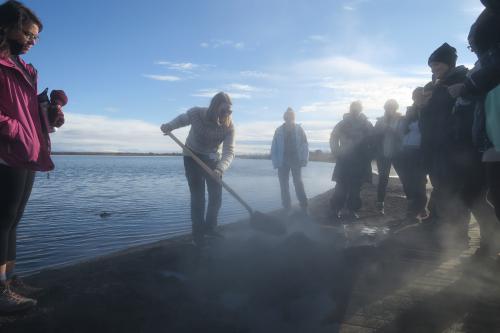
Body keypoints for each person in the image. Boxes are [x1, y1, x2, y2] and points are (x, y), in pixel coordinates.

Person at [0, 0, 66, 313]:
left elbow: (29, 113)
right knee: (1, 221)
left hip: (26, 151)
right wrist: (16, 131)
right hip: (5, 151)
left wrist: (49, 115)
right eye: (28, 33)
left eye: (36, 37)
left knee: (13, 221)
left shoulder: (26, 69)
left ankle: (10, 280)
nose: (31, 41)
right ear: (8, 26)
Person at [160, 92, 235, 245]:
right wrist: (169, 126)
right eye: (223, 111)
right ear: (214, 107)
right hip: (191, 156)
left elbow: (229, 152)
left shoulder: (229, 127)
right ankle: (198, 235)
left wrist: (220, 169)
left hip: (213, 159)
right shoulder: (197, 114)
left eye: (229, 111)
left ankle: (211, 228)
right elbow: (182, 119)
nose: (226, 114)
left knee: (216, 196)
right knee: (198, 197)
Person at [419, 42, 470, 242]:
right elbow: (429, 116)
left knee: (454, 189)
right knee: (439, 186)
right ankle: (436, 224)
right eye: (432, 65)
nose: (434, 69)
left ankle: (458, 235)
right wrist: (422, 107)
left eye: (438, 64)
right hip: (434, 145)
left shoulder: (461, 80)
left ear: (449, 64)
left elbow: (461, 113)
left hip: (453, 146)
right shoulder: (434, 85)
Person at [329, 101, 373, 221]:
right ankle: (335, 209)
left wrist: (370, 155)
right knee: (341, 186)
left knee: (356, 188)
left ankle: (352, 210)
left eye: (358, 108)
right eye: (353, 108)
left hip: (361, 160)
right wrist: (336, 152)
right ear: (350, 109)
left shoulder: (367, 124)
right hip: (344, 159)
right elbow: (333, 137)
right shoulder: (342, 124)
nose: (355, 110)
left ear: (361, 109)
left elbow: (373, 140)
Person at [270, 107, 309, 215]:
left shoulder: (299, 129)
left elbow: (305, 145)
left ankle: (304, 206)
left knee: (298, 183)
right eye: (287, 116)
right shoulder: (278, 130)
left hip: (296, 160)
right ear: (284, 117)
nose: (289, 118)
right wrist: (275, 162)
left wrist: (304, 159)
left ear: (293, 117)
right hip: (282, 162)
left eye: (291, 116)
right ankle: (287, 208)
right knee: (284, 185)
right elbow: (274, 147)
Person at [397, 88, 428, 221]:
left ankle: (417, 210)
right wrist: (406, 119)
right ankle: (415, 209)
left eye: (419, 96)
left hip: (420, 151)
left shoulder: (428, 110)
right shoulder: (409, 113)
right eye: (414, 97)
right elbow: (400, 131)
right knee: (407, 181)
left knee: (419, 181)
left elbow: (428, 130)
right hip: (405, 150)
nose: (417, 99)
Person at [373, 99, 403, 215]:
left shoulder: (401, 120)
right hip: (382, 155)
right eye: (388, 107)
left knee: (404, 177)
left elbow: (405, 134)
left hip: (397, 154)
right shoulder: (380, 121)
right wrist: (381, 131)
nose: (390, 109)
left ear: (396, 108)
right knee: (383, 179)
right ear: (385, 108)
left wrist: (394, 132)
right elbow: (374, 136)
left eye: (392, 107)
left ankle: (412, 206)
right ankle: (380, 204)